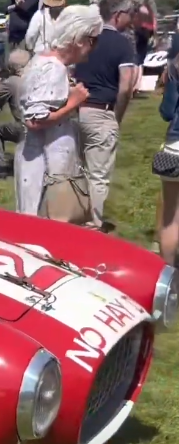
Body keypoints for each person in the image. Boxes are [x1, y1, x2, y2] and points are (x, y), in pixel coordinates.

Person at [15, 5, 101, 217]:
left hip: (41, 163)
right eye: (93, 40)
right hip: (44, 167)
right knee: (42, 222)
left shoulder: (44, 61)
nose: (94, 47)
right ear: (79, 38)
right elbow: (34, 121)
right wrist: (74, 101)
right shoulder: (53, 68)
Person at [73, 0, 137, 229]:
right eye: (131, 14)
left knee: (78, 168)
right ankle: (92, 223)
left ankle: (74, 213)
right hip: (102, 111)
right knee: (98, 174)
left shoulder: (85, 39)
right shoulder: (122, 44)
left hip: (77, 110)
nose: (133, 19)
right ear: (119, 14)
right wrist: (117, 115)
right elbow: (126, 86)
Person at [0, 49, 30, 177]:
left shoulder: (12, 82)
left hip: (26, 127)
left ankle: (0, 167)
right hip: (46, 125)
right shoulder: (39, 77)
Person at [155, 45, 179, 265]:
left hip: (175, 145)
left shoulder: (175, 67)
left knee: (171, 217)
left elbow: (168, 112)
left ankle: (169, 275)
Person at [132, 0, 156, 94]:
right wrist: (154, 35)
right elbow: (154, 23)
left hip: (139, 31)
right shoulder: (149, 8)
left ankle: (132, 86)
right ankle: (137, 86)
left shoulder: (138, 8)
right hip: (147, 33)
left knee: (134, 60)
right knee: (140, 61)